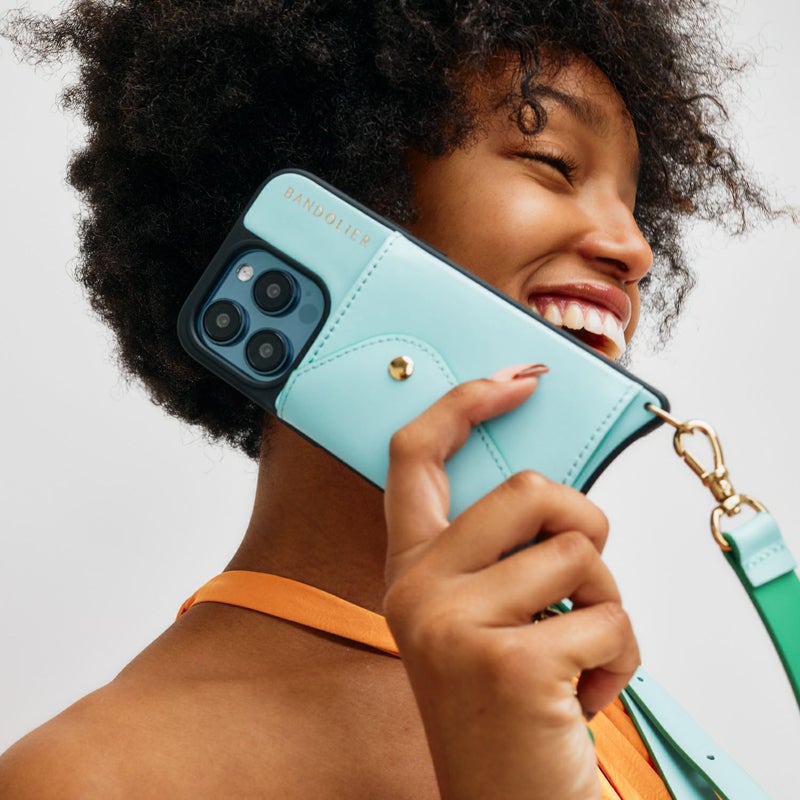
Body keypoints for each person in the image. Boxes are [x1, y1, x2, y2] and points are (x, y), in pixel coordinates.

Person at [0, 1, 793, 797]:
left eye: (633, 201)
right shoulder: (85, 778)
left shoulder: (582, 678)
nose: (635, 249)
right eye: (553, 161)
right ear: (348, 190)